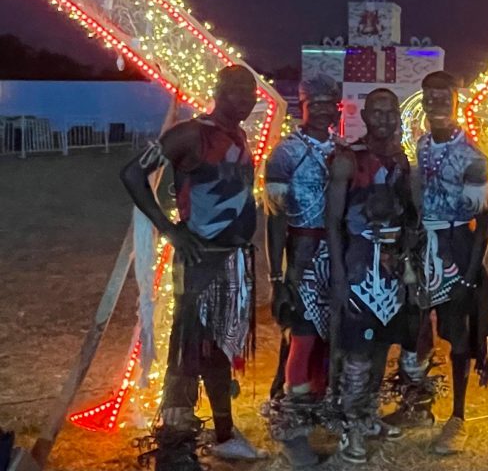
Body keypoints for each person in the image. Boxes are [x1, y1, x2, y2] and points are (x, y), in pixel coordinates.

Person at [120, 65, 264, 471]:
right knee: (187, 354)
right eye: (235, 89)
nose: (245, 98)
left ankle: (225, 436)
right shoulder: (189, 134)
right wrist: (170, 229)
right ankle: (175, 448)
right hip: (201, 264)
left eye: (250, 92)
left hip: (233, 261)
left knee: (218, 350)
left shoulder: (239, 135)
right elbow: (132, 173)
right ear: (217, 91)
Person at [386, 70, 488, 456]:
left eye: (442, 97)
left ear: (455, 100)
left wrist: (469, 275)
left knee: (458, 334)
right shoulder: (421, 146)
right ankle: (416, 405)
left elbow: (483, 221)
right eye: (429, 97)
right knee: (414, 329)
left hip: (455, 250)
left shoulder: (472, 156)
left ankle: (457, 418)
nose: (435, 103)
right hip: (421, 251)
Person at [326, 88, 420, 463]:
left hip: (392, 268)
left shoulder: (401, 159)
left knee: (381, 346)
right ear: (364, 116)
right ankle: (350, 428)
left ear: (398, 115)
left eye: (390, 111)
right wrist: (338, 276)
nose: (384, 118)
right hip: (360, 265)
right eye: (376, 112)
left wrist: (408, 253)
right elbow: (333, 222)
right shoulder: (348, 159)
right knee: (358, 352)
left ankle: (367, 416)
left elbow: (408, 214)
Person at [262, 74, 342, 468]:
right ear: (303, 106)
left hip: (340, 257)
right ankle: (293, 430)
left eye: (330, 104)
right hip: (302, 257)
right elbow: (275, 220)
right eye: (316, 103)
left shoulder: (344, 150)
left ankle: (321, 419)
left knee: (332, 342)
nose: (324, 110)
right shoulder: (285, 152)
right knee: (303, 338)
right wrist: (278, 278)